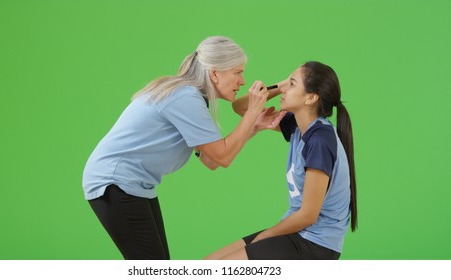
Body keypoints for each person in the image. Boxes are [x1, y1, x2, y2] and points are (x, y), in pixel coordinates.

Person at [82, 36, 282, 260]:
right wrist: (252, 111)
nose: (243, 81)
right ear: (215, 73)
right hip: (115, 181)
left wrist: (252, 127)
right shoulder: (184, 97)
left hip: (134, 184)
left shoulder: (192, 97)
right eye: (237, 72)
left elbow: (212, 162)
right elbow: (223, 157)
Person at [205, 61, 358, 260]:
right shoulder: (298, 125)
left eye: (292, 84)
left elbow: (308, 215)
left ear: (311, 97)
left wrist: (264, 236)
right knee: (208, 264)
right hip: (298, 232)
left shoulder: (320, 140)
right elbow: (240, 107)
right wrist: (280, 85)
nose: (286, 87)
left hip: (316, 244)